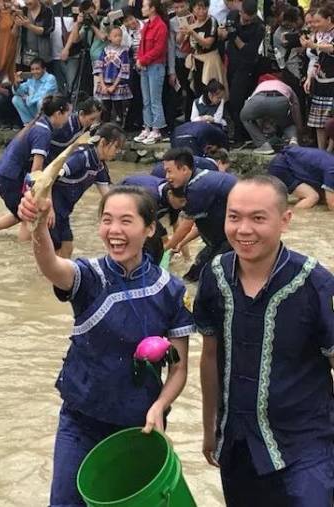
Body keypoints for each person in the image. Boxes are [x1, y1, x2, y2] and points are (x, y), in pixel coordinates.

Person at [18, 184, 192, 507]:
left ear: (150, 228)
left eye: (126, 221)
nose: (114, 230)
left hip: (138, 428)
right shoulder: (89, 276)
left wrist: (159, 406)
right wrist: (40, 224)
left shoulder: (171, 290)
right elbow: (51, 266)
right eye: (107, 220)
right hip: (81, 419)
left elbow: (179, 368)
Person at [195, 175, 334, 506]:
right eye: (234, 217)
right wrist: (210, 426)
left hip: (307, 444)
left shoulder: (316, 284)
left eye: (258, 218)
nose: (244, 230)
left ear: (285, 220)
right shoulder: (214, 275)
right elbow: (210, 356)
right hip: (237, 441)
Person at [0, 94, 71, 237]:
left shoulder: (39, 123)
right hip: (9, 177)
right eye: (68, 114)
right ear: (58, 113)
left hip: (3, 174)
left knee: (20, 212)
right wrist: (36, 198)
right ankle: (22, 253)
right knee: (30, 214)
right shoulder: (43, 132)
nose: (68, 119)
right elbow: (36, 172)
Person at [163, 147, 237, 282]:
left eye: (169, 171)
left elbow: (186, 226)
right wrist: (181, 243)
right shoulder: (202, 177)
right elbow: (199, 224)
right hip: (224, 236)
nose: (167, 177)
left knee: (210, 276)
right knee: (195, 273)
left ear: (184, 169)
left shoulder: (197, 189)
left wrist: (163, 250)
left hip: (236, 237)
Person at [50, 123, 123, 258]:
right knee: (53, 253)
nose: (117, 152)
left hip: (63, 211)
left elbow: (107, 195)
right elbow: (50, 178)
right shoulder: (81, 157)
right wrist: (48, 209)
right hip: (51, 210)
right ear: (103, 143)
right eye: (116, 147)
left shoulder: (99, 165)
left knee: (66, 248)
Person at [218, 0, 265, 145]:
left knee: (239, 100)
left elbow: (248, 51)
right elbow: (223, 34)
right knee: (230, 99)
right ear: (240, 12)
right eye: (244, 18)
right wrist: (225, 32)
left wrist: (235, 36)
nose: (246, 22)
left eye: (249, 19)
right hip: (231, 63)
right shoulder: (232, 15)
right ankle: (239, 133)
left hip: (247, 67)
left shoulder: (258, 27)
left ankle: (242, 135)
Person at [133, 0, 168, 145]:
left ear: (152, 8)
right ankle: (147, 127)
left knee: (155, 100)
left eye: (145, 6)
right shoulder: (147, 25)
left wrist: (143, 60)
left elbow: (159, 49)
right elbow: (142, 45)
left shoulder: (161, 26)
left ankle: (156, 129)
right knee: (146, 100)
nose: (142, 9)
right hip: (145, 66)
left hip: (156, 66)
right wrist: (139, 60)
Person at [240, 74, 302, 155]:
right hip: (281, 100)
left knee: (245, 117)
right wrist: (299, 128)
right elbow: (296, 107)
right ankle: (293, 141)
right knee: (288, 123)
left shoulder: (260, 86)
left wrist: (260, 131)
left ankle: (263, 145)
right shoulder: (286, 87)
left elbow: (251, 106)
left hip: (258, 99)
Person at [302, 4, 334, 150]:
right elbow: (315, 60)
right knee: (319, 121)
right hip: (321, 81)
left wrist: (314, 45)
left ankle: (329, 150)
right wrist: (309, 78)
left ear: (328, 19)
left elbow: (331, 48)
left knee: (331, 119)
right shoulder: (317, 35)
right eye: (312, 22)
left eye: (317, 21)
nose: (314, 25)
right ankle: (321, 150)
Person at [268, 146, 334, 210]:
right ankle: (292, 217)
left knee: (321, 198)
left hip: (290, 163)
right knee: (312, 197)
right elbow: (331, 205)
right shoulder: (332, 169)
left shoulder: (331, 163)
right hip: (282, 166)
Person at [180, 0, 223, 98]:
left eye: (205, 8)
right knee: (194, 92)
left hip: (209, 61)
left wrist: (192, 33)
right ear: (193, 9)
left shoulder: (212, 21)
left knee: (209, 92)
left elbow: (208, 43)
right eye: (198, 8)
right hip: (195, 60)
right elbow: (180, 41)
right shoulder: (191, 22)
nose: (202, 11)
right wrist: (183, 29)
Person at [93, 25, 133, 126]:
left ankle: (118, 130)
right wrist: (102, 85)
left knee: (119, 108)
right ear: (109, 37)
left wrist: (114, 86)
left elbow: (124, 70)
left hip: (117, 84)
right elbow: (99, 67)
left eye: (120, 35)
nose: (118, 38)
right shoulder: (105, 50)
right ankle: (105, 130)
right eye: (115, 36)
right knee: (105, 109)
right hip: (105, 84)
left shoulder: (124, 51)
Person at [48, 96, 103, 162]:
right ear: (81, 114)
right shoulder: (65, 125)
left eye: (97, 120)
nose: (94, 123)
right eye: (92, 119)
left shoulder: (86, 127)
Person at [11, 57, 58, 124]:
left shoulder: (50, 78)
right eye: (32, 69)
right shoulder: (31, 78)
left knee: (41, 102)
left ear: (44, 69)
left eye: (37, 69)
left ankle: (43, 124)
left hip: (49, 111)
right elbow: (21, 92)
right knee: (15, 99)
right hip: (34, 107)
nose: (34, 72)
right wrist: (17, 83)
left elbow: (43, 95)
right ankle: (29, 124)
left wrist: (27, 99)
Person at [14, 0, 54, 68]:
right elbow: (14, 34)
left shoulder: (47, 11)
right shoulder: (22, 11)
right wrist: (16, 25)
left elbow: (46, 31)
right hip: (24, 55)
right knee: (25, 77)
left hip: (43, 56)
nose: (27, 2)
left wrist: (28, 25)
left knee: (43, 78)